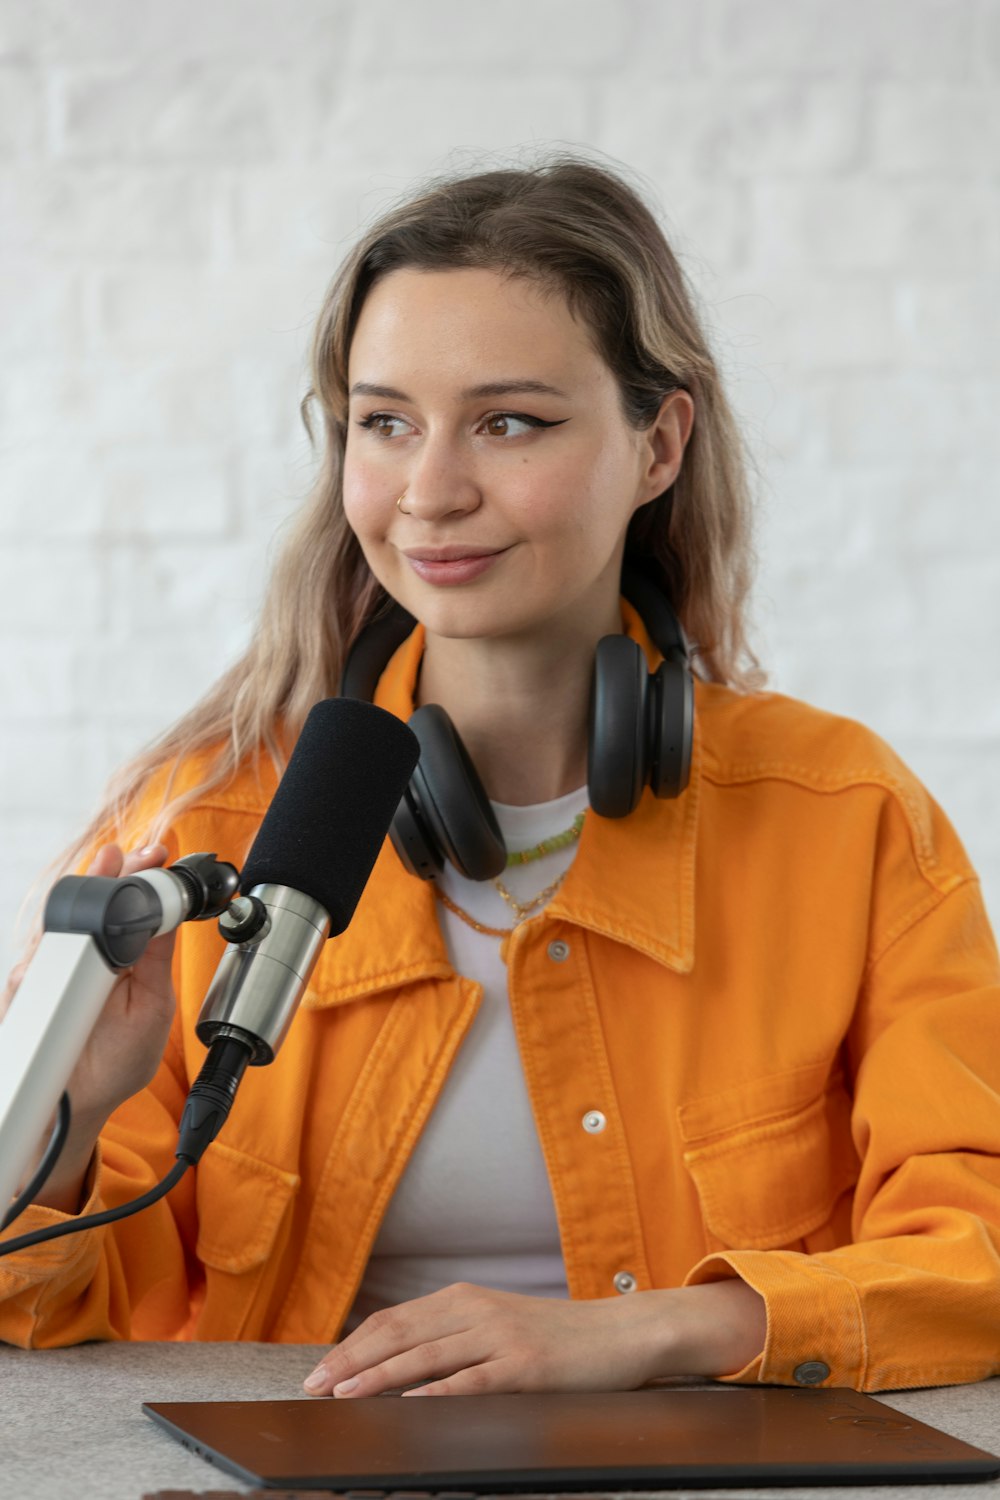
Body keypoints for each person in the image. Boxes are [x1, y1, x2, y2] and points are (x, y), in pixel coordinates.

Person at [1, 155, 998, 1397]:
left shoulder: (846, 819)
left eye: (509, 421)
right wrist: (57, 1118)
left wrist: (643, 1337)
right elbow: (55, 1313)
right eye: (386, 423)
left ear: (658, 444)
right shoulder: (207, 832)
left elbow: (977, 1256)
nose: (430, 492)